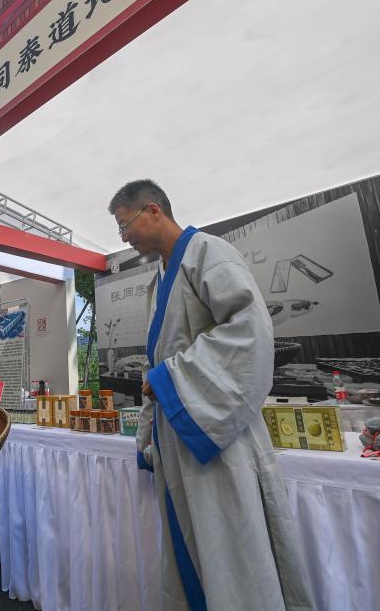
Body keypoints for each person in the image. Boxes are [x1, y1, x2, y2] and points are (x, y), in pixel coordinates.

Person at [109, 180, 313, 611]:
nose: (125, 239)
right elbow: (162, 358)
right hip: (180, 429)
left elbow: (249, 332)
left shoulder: (209, 252)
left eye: (126, 226)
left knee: (232, 548)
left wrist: (170, 378)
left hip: (215, 432)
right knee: (193, 545)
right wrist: (153, 416)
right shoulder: (159, 278)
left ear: (153, 210)